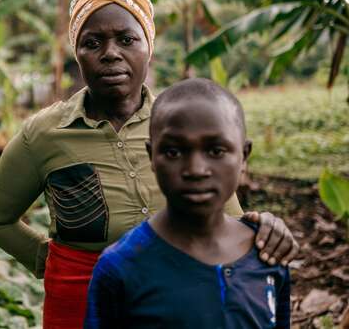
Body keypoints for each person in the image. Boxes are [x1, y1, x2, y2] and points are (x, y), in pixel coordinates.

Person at [0, 0, 298, 328]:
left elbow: (227, 214)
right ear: (77, 53)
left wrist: (262, 227)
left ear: (149, 46)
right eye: (93, 42)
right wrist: (48, 260)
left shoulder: (180, 124)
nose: (110, 53)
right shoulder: (45, 133)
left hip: (171, 290)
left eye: (127, 39)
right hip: (78, 299)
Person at [84, 78, 290, 328]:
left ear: (244, 156)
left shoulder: (267, 253)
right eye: (173, 152)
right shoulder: (121, 266)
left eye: (216, 151)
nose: (196, 169)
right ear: (152, 156)